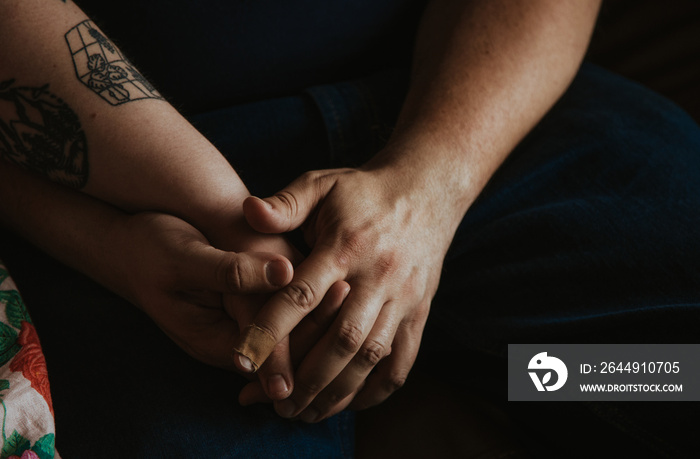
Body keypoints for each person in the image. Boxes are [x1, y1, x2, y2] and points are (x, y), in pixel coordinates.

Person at [1, 0, 699, 457]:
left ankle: (543, 378)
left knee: (676, 374)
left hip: (469, 107)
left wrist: (428, 190)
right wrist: (198, 228)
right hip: (137, 196)